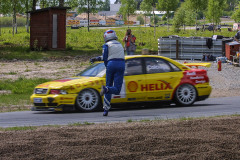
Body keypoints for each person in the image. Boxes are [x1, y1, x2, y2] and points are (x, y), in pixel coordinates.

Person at [90, 30, 125, 116]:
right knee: (117, 90)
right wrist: (97, 58)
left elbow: (106, 57)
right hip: (121, 64)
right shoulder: (119, 44)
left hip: (111, 65)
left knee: (108, 85)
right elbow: (113, 55)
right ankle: (106, 90)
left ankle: (106, 109)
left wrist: (106, 66)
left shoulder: (106, 45)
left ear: (105, 37)